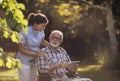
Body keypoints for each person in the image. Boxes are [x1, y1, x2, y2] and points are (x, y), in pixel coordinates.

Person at [17, 12, 50, 81]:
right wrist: (36, 54)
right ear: (35, 24)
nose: (44, 28)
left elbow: (42, 41)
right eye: (42, 26)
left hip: (35, 61)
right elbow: (21, 49)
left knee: (34, 79)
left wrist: (52, 46)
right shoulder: (24, 32)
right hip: (24, 62)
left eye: (45, 26)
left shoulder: (40, 31)